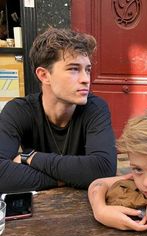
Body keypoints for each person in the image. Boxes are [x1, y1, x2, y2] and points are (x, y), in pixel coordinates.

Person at [0, 27, 116, 192]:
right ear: (44, 75)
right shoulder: (18, 111)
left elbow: (103, 169)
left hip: (82, 209)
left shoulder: (95, 108)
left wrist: (31, 158)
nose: (86, 79)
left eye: (87, 70)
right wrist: (68, 178)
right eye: (74, 69)